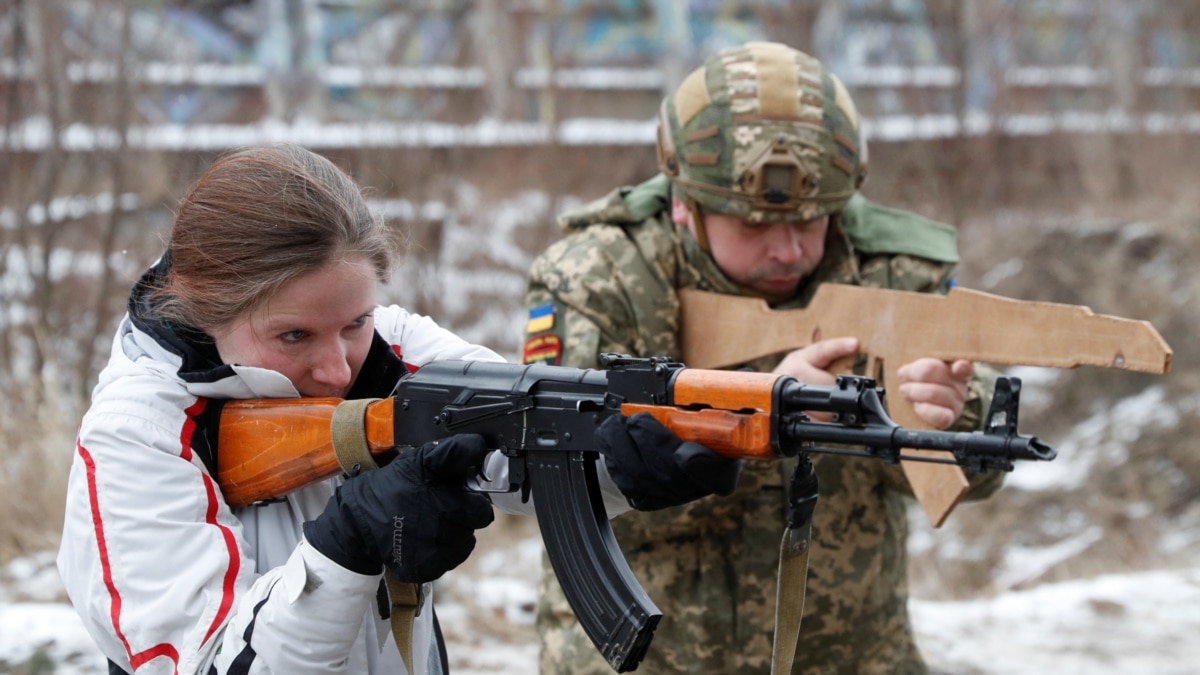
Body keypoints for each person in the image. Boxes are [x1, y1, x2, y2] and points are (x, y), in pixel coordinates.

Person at [57, 143, 741, 675]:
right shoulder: (137, 436)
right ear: (209, 313)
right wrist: (345, 546)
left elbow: (529, 440)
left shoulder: (394, 352)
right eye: (294, 335)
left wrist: (632, 459)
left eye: (354, 321)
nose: (337, 366)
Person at [522, 41, 1005, 674]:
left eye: (813, 222)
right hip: (646, 659)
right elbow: (551, 473)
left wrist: (953, 414)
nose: (789, 249)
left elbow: (980, 474)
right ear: (683, 206)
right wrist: (753, 413)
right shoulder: (600, 278)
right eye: (754, 225)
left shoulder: (893, 267)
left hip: (851, 657)